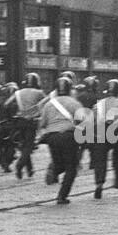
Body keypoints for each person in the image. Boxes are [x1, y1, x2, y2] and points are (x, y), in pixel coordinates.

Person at [36, 76, 86, 205]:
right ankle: (62, 196)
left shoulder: (49, 104)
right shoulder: (75, 103)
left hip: (52, 137)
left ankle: (54, 170)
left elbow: (42, 123)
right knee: (71, 167)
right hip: (69, 136)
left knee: (58, 162)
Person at [86, 80, 118, 199]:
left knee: (100, 159)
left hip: (101, 132)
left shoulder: (99, 104)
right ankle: (117, 181)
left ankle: (99, 183)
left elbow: (91, 120)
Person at [2, 73, 46, 179]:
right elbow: (47, 104)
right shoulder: (39, 93)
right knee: (28, 146)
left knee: (24, 146)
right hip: (31, 122)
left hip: (19, 122)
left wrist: (11, 118)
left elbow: (6, 104)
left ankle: (29, 170)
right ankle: (20, 165)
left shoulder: (18, 93)